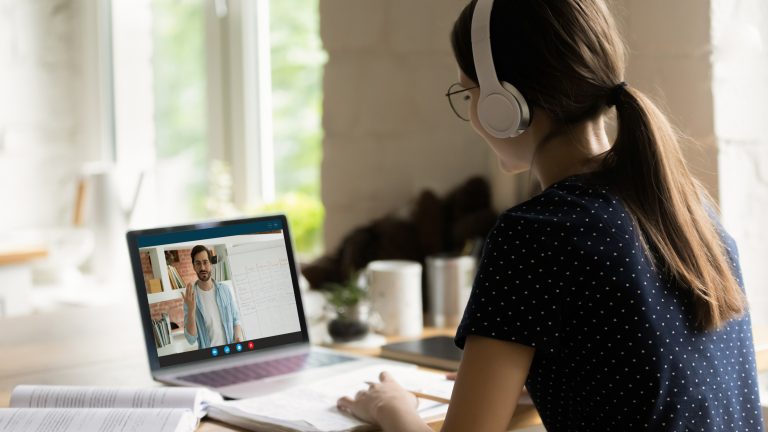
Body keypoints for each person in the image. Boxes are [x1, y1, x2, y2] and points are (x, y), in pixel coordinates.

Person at [336, 0, 765, 430]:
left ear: (503, 103)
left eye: (468, 93)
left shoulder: (536, 233)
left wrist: (390, 407)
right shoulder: (688, 207)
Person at [182, 245, 244, 348]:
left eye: (205, 262)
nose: (202, 267)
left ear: (211, 264)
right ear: (194, 266)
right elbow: (191, 339)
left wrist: (238, 338)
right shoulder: (190, 298)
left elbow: (236, 320)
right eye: (198, 263)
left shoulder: (225, 290)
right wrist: (191, 310)